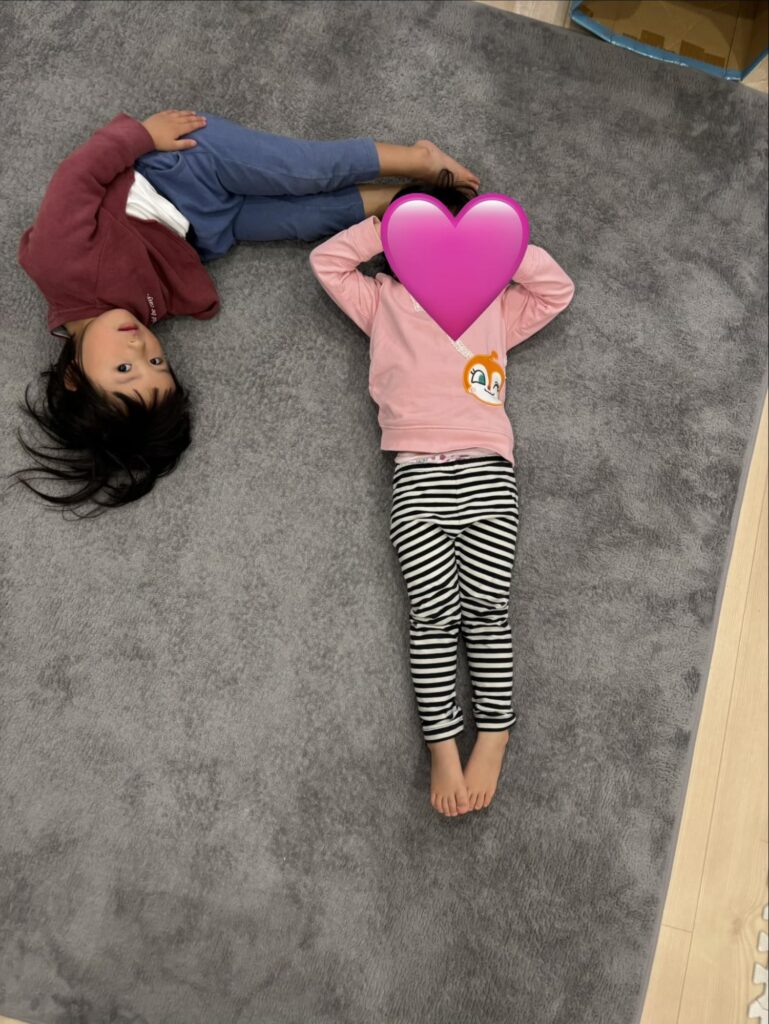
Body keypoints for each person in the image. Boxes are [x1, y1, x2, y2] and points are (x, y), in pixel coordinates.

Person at [12, 109, 480, 518]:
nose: (140, 345)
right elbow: (172, 281)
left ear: (73, 375)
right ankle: (396, 198)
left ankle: (416, 159)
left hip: (183, 165)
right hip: (212, 227)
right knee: (306, 221)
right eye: (156, 362)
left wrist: (143, 135)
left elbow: (77, 176)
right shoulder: (123, 321)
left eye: (124, 368)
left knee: (301, 172)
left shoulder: (58, 262)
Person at [308, 174, 575, 818]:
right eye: (420, 242)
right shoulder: (384, 301)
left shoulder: (493, 305)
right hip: (416, 477)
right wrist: (385, 227)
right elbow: (327, 262)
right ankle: (442, 745)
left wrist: (501, 249)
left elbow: (556, 290)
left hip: (487, 473)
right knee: (430, 617)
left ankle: (496, 731)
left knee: (486, 613)